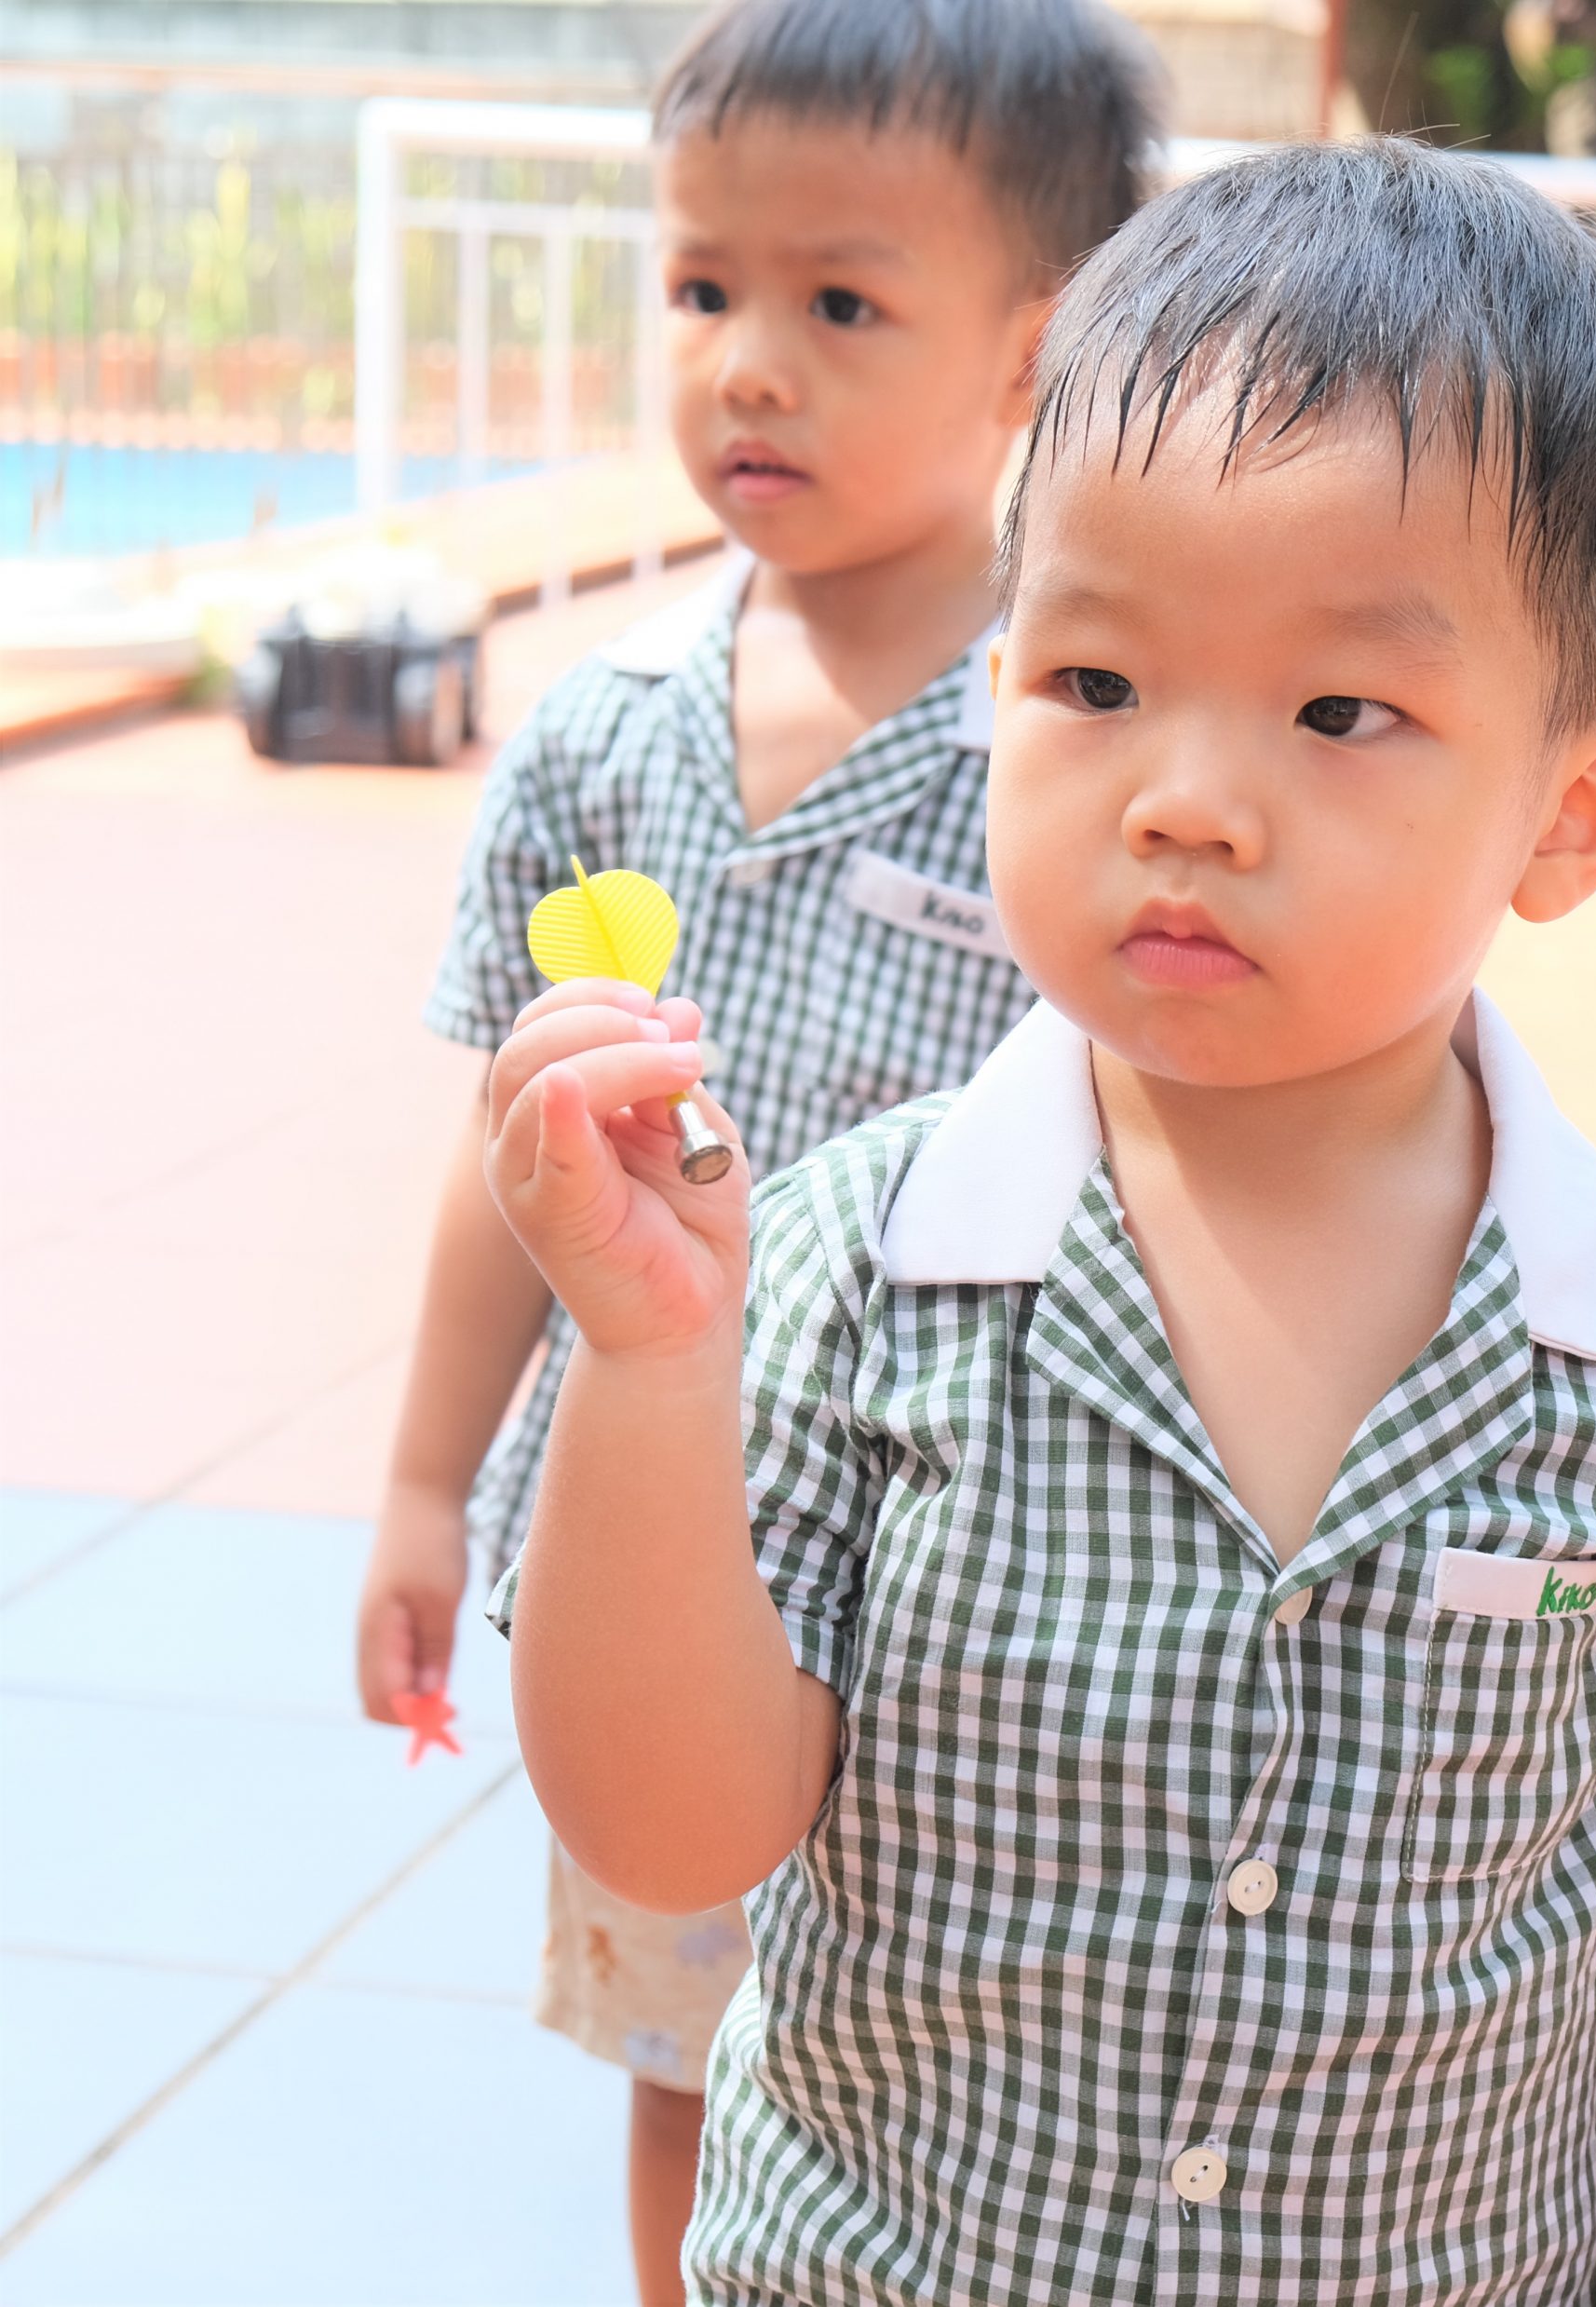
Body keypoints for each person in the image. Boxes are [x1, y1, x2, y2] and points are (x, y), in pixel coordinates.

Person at [485, 139, 1596, 2305]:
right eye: (1093, 685)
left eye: (1342, 712)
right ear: (994, 689)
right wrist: (648, 1365)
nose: (1181, 798)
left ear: (1567, 815)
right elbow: (671, 1838)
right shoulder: (842, 1271)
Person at [349, 3, 1159, 2297]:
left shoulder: (1074, 745)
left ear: (1035, 350)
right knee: (692, 2062)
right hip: (651, 1545)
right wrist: (425, 1483)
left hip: (980, 1570)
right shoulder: (602, 736)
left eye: (840, 301)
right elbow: (512, 1154)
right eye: (702, 287)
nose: (746, 367)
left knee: (986, 2064)